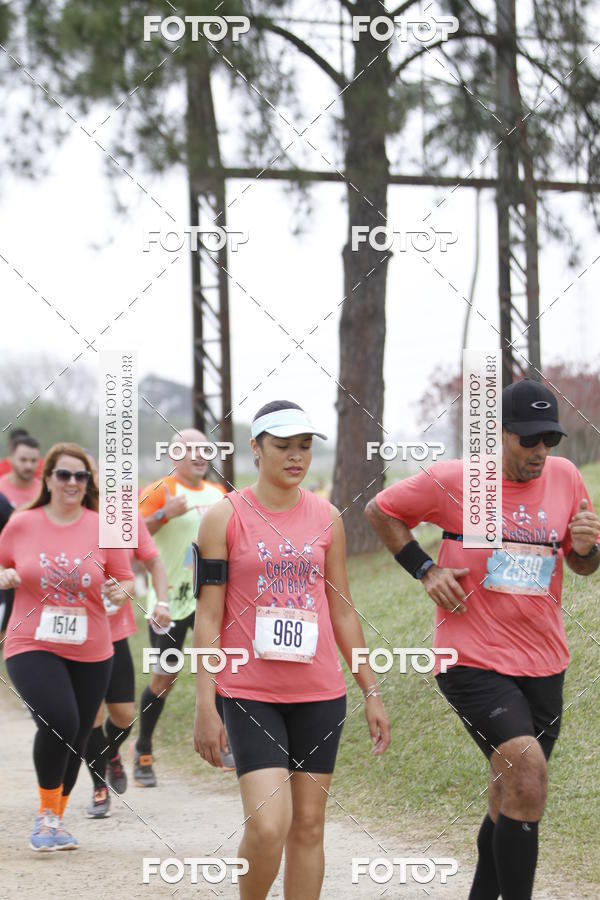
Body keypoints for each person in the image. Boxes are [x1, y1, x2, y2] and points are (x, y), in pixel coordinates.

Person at [365, 378, 600, 900]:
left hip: (544, 660)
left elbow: (581, 563)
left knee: (511, 791)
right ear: (501, 433)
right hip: (471, 659)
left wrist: (587, 549)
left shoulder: (565, 479)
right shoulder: (458, 481)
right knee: (528, 772)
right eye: (529, 440)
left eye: (550, 441)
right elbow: (381, 510)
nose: (540, 452)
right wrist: (425, 568)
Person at [193, 401, 391, 900]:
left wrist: (371, 687)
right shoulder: (224, 517)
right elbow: (208, 617)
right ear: (256, 448)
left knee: (308, 826)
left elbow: (343, 610)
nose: (295, 456)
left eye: (304, 446)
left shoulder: (327, 518)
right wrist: (203, 703)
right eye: (282, 446)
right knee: (268, 825)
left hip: (319, 693)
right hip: (249, 692)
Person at [0, 442, 134, 851]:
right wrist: (4, 576)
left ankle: (55, 819)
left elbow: (125, 576)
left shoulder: (103, 526)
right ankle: (45, 817)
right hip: (30, 639)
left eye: (80, 476)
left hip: (91, 645)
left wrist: (120, 590)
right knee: (59, 718)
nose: (73, 482)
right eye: (64, 474)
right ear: (49, 479)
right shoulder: (22, 523)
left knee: (76, 731)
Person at [133, 428, 227, 786]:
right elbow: (131, 533)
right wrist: (164, 516)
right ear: (174, 455)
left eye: (205, 450)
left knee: (221, 666)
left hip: (210, 598)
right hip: (168, 601)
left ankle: (223, 742)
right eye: (191, 450)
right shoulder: (162, 491)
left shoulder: (218, 493)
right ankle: (142, 748)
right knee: (165, 677)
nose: (200, 456)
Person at [0, 434, 42, 509]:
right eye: (23, 460)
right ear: (11, 459)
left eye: (33, 460)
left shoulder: (44, 492)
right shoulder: (1, 489)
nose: (28, 466)